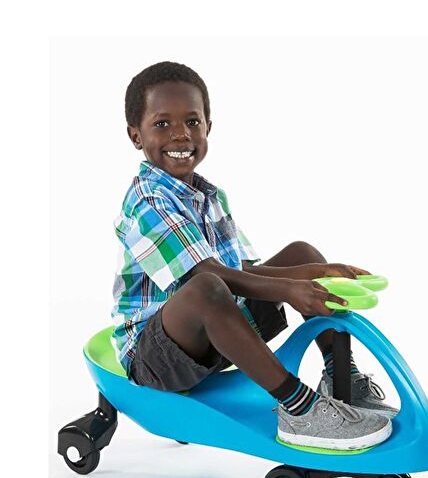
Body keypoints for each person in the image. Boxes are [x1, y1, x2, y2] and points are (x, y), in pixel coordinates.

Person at [111, 61, 397, 452]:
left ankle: (342, 377)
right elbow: (208, 276)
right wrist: (291, 289)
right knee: (206, 287)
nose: (180, 134)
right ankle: (299, 409)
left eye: (192, 122)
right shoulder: (147, 200)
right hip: (157, 358)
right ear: (136, 135)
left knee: (302, 253)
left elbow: (244, 272)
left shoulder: (210, 196)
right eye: (162, 124)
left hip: (217, 336)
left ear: (208, 127)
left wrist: (314, 271)